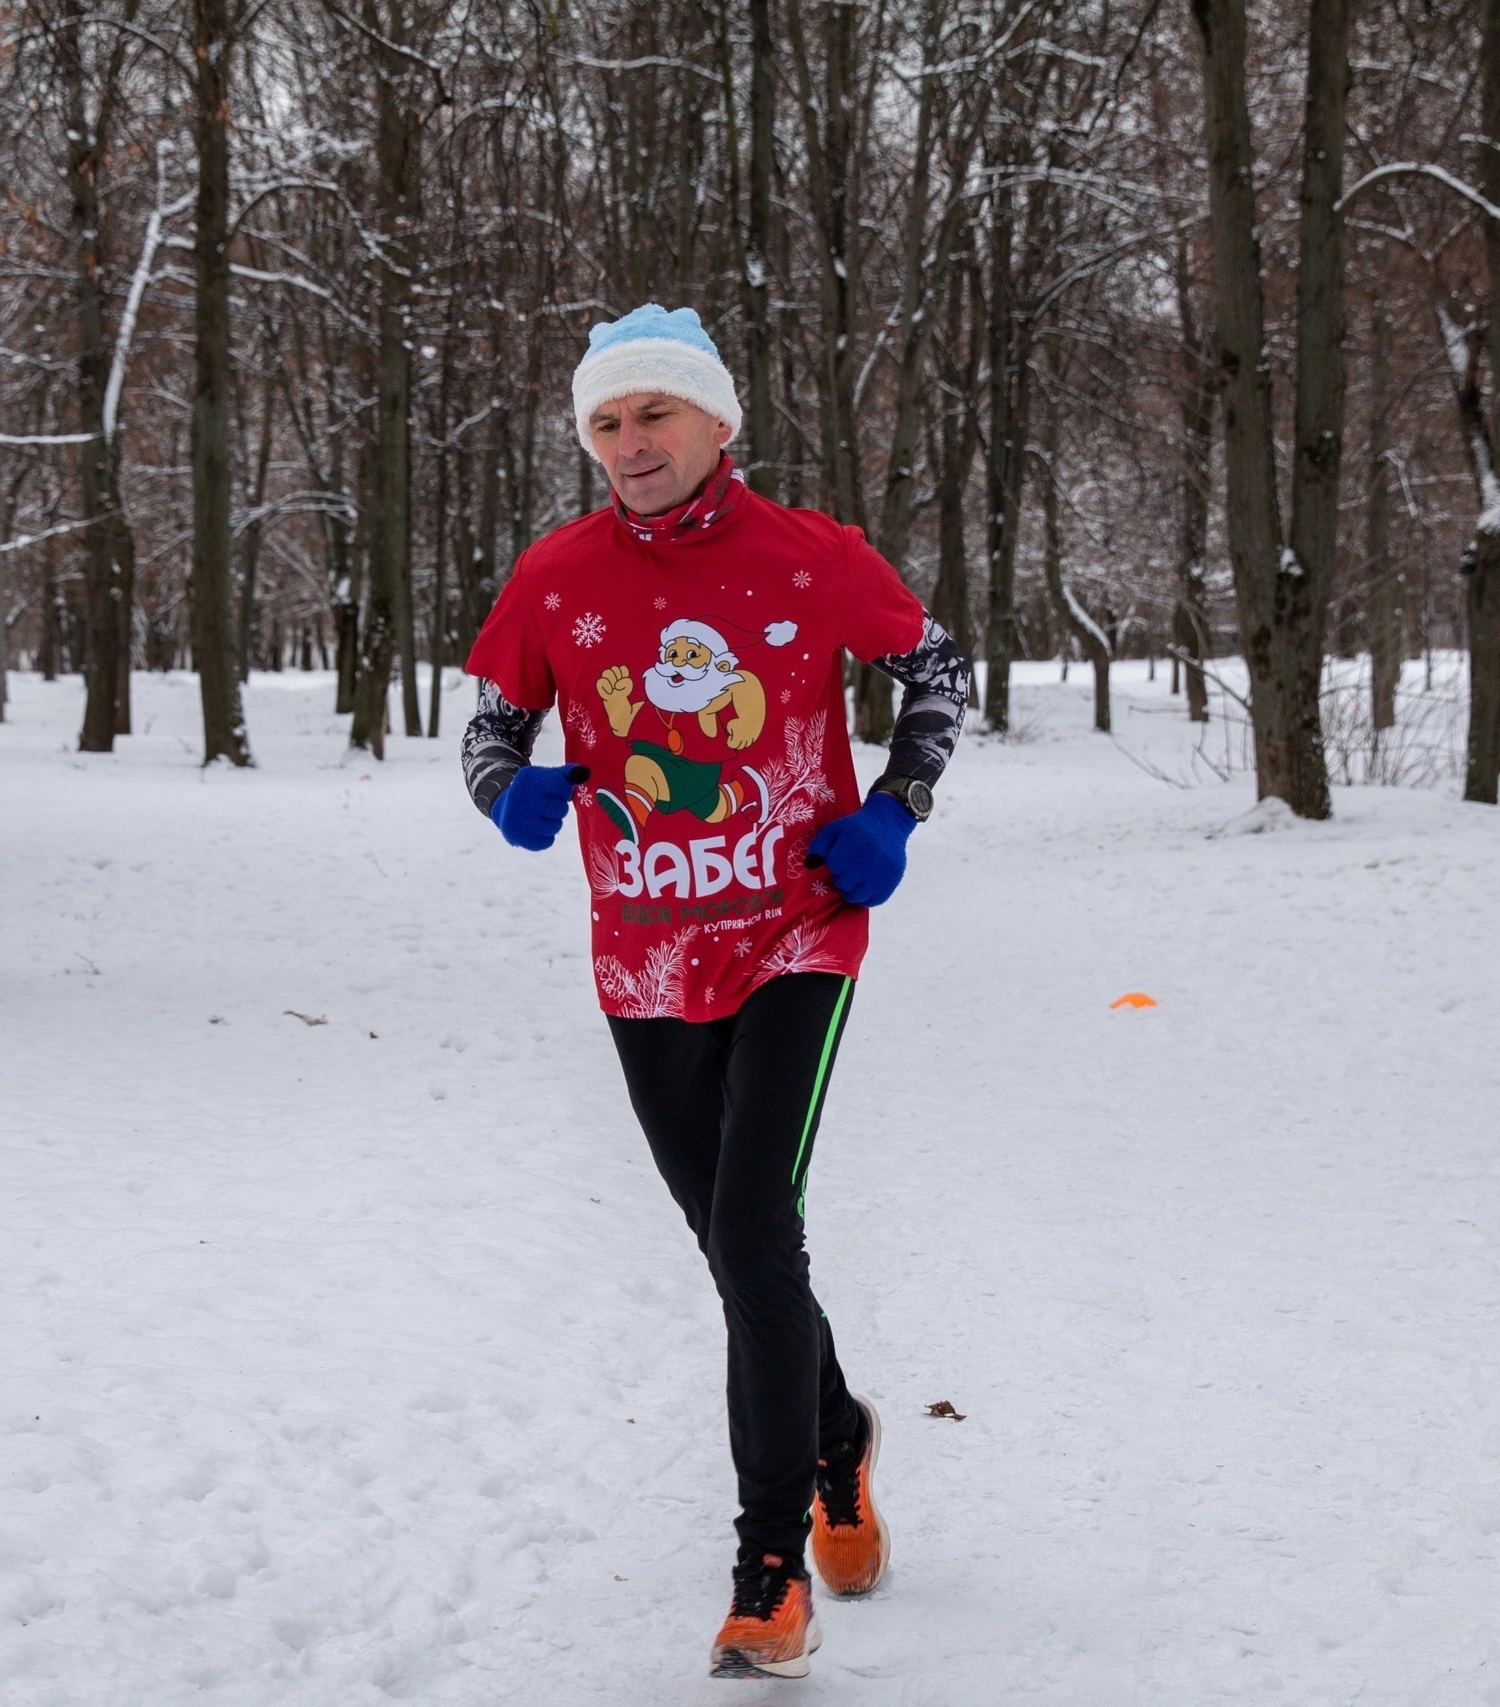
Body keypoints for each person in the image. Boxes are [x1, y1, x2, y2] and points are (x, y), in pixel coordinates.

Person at [459, 304, 972, 1680]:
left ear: (717, 422)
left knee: (751, 1236)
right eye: (606, 422)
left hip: (797, 934)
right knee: (737, 1249)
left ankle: (768, 1571)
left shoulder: (812, 556)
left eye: (654, 414)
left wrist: (898, 807)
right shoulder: (557, 575)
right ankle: (837, 1434)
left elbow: (936, 669)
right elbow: (491, 723)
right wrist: (507, 790)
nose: (629, 443)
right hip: (643, 958)